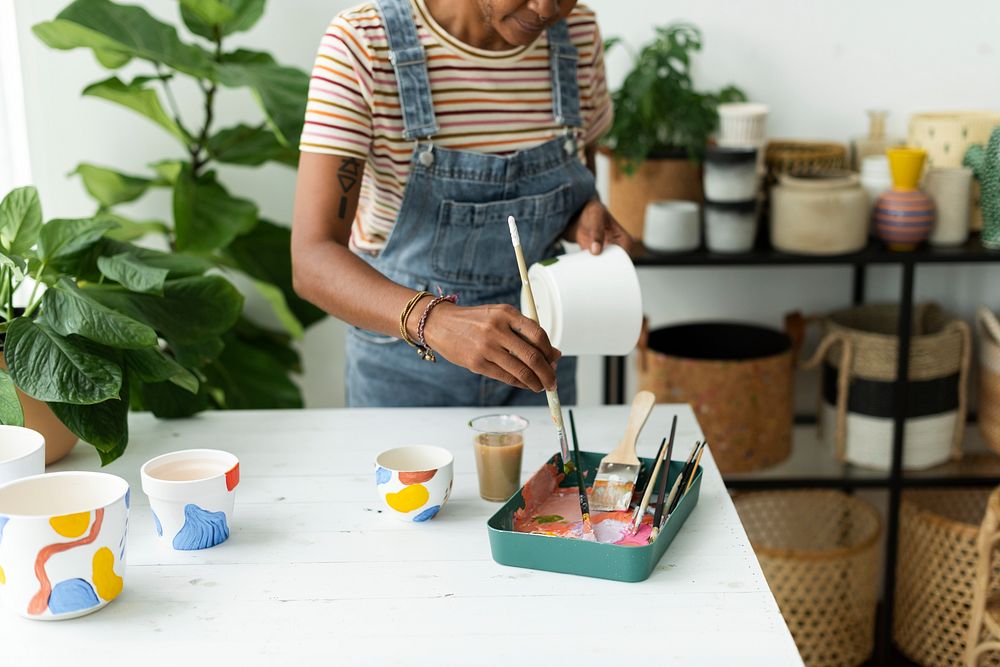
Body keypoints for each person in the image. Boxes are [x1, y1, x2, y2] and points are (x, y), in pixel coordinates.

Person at [291, 0, 632, 407]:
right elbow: (311, 259)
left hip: (538, 366)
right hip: (404, 371)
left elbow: (579, 176)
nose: (545, 8)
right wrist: (433, 319)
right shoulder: (364, 44)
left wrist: (583, 212)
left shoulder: (576, 34)